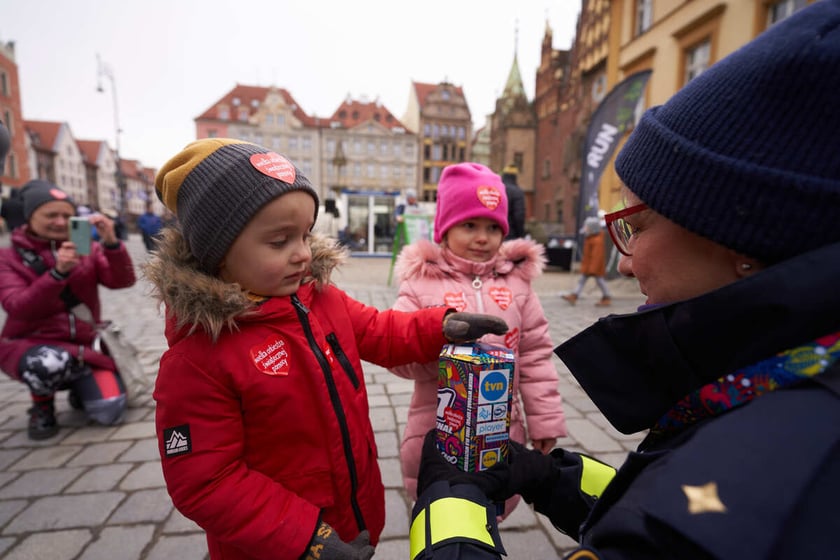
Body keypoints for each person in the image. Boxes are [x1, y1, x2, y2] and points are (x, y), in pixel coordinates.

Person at [410, 2, 840, 558]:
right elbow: (662, 488)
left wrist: (450, 501)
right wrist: (550, 477)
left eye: (636, 224)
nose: (626, 262)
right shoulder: (781, 384)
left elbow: (660, 519)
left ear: (741, 236)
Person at [144, 138, 508, 560]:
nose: (302, 254)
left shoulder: (319, 299)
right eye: (279, 242)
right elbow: (206, 480)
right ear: (217, 253)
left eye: (305, 234)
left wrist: (441, 326)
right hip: (280, 545)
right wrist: (305, 539)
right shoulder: (199, 357)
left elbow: (381, 331)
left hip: (353, 518)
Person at [389, 162, 566, 517]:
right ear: (444, 228)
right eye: (469, 225)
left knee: (490, 511)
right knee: (445, 516)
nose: (482, 237)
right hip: (436, 430)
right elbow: (396, 349)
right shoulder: (421, 283)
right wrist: (437, 342)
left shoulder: (517, 285)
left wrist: (544, 419)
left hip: (500, 429)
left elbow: (534, 356)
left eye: (492, 227)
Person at [0, 179, 136, 440]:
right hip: (34, 345)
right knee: (49, 363)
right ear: (30, 216)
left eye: (67, 215)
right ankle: (42, 405)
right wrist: (57, 273)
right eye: (51, 215)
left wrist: (111, 244)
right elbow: (18, 307)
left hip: (84, 348)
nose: (61, 222)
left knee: (110, 409)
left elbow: (122, 281)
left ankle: (79, 387)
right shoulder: (9, 258)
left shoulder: (88, 248)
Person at [561, 216, 611, 307]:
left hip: (593, 266)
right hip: (589, 265)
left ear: (592, 228)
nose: (585, 228)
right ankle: (575, 295)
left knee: (600, 281)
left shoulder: (596, 240)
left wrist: (593, 268)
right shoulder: (591, 238)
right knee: (583, 280)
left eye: (587, 227)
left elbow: (597, 256)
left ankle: (606, 297)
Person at [500, 165, 526, 239]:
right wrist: (521, 235)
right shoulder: (517, 192)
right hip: (511, 236)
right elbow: (519, 216)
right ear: (515, 177)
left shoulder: (496, 188)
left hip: (496, 235)